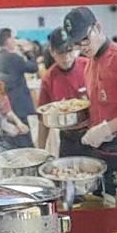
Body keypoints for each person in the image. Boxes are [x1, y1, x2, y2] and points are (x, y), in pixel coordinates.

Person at [63, 7, 117, 200]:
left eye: (85, 39)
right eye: (76, 43)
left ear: (98, 27)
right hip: (100, 149)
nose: (82, 47)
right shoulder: (89, 64)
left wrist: (106, 128)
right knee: (105, 203)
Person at [38, 28, 93, 158]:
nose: (66, 58)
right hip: (68, 138)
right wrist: (40, 151)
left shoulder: (88, 66)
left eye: (69, 51)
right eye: (60, 53)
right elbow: (42, 119)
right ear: (52, 52)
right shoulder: (49, 78)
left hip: (93, 134)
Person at [0, 27, 39, 149]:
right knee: (25, 140)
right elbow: (33, 67)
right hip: (19, 105)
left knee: (14, 140)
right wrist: (28, 52)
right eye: (13, 38)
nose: (15, 41)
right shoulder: (13, 58)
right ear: (8, 40)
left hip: (7, 106)